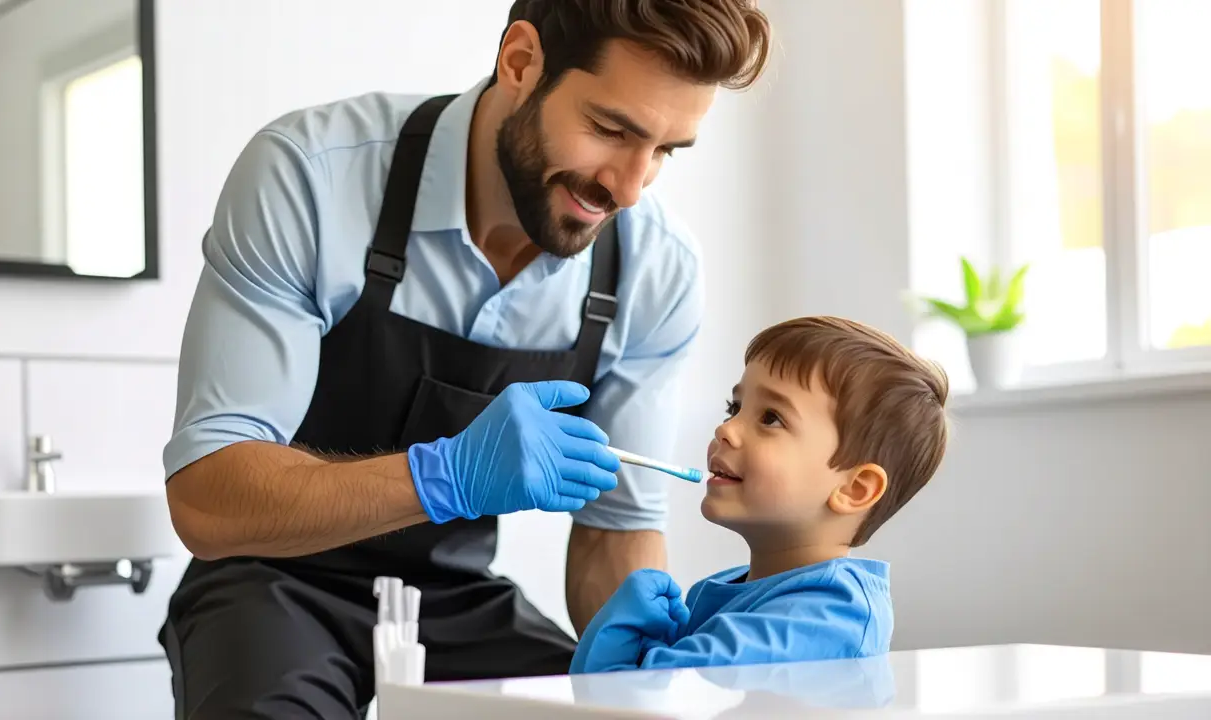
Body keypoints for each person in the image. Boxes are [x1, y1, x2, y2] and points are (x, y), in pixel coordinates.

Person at [157, 1, 773, 717]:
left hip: (454, 599)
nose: (630, 188)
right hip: (266, 581)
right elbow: (208, 495)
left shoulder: (654, 267)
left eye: (667, 150)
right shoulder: (311, 176)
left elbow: (617, 533)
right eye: (611, 129)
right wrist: (444, 476)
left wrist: (646, 669)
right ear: (520, 62)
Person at [569, 316, 950, 674]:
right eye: (734, 408)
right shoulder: (720, 590)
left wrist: (619, 634)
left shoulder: (831, 614)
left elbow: (648, 696)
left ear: (854, 489)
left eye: (771, 417)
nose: (727, 430)